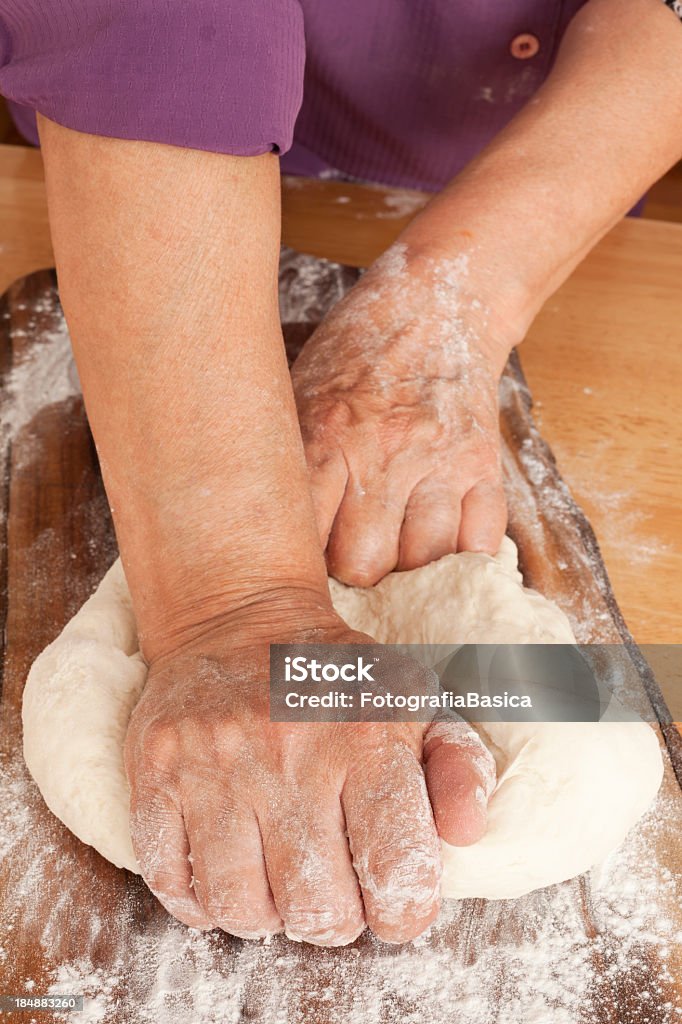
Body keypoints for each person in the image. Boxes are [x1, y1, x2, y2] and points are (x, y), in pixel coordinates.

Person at [1, 0, 681, 946]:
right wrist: (232, 607)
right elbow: (142, 27)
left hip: (556, 150)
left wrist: (453, 305)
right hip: (149, 161)